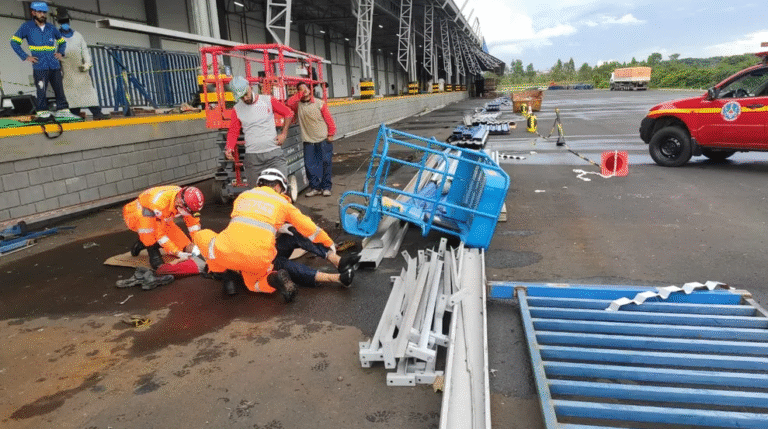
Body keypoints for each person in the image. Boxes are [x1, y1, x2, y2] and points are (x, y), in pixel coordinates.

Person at [190, 169, 336, 301]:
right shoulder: (282, 203)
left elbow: (249, 221)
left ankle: (219, 271)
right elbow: (308, 227)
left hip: (227, 252)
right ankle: (274, 278)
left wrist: (280, 226)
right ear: (278, 186)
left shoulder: (243, 196)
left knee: (202, 236)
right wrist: (328, 242)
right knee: (254, 284)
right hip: (258, 258)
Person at [9, 2, 76, 119]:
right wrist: (25, 56)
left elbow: (62, 42)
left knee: (59, 90)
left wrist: (60, 52)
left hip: (54, 65)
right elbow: (14, 42)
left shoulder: (51, 27)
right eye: (39, 12)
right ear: (33, 13)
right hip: (39, 66)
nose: (42, 15)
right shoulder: (26, 27)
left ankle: (63, 111)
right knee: (41, 90)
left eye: (44, 12)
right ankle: (42, 112)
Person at [225, 75, 294, 185]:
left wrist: (284, 133)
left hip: (273, 155)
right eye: (241, 97)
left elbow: (288, 113)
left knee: (280, 189)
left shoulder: (267, 100)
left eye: (246, 94)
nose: (245, 99)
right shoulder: (237, 109)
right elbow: (233, 131)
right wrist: (229, 147)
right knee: (256, 194)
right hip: (253, 159)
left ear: (250, 88)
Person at [122, 185, 204, 270]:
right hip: (136, 213)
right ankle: (152, 249)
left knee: (186, 247)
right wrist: (176, 252)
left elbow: (193, 224)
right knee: (147, 226)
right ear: (179, 203)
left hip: (162, 218)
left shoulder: (187, 201)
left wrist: (197, 243)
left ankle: (142, 243)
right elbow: (159, 234)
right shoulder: (160, 204)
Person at [55, 8, 108, 120]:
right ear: (59, 23)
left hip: (81, 69)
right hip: (67, 70)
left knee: (88, 92)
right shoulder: (56, 37)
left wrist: (87, 63)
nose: (65, 24)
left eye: (66, 22)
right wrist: (58, 69)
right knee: (71, 94)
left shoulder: (78, 35)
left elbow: (85, 50)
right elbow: (55, 54)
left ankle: (97, 113)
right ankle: (74, 115)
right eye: (62, 22)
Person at [287, 82, 337, 197]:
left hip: (323, 139)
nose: (304, 91)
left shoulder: (319, 103)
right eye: (301, 89)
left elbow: (329, 120)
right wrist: (299, 95)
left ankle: (326, 187)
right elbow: (289, 103)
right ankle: (315, 187)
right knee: (309, 165)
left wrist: (331, 134)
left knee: (325, 163)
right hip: (308, 140)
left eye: (306, 88)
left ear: (311, 90)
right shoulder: (298, 105)